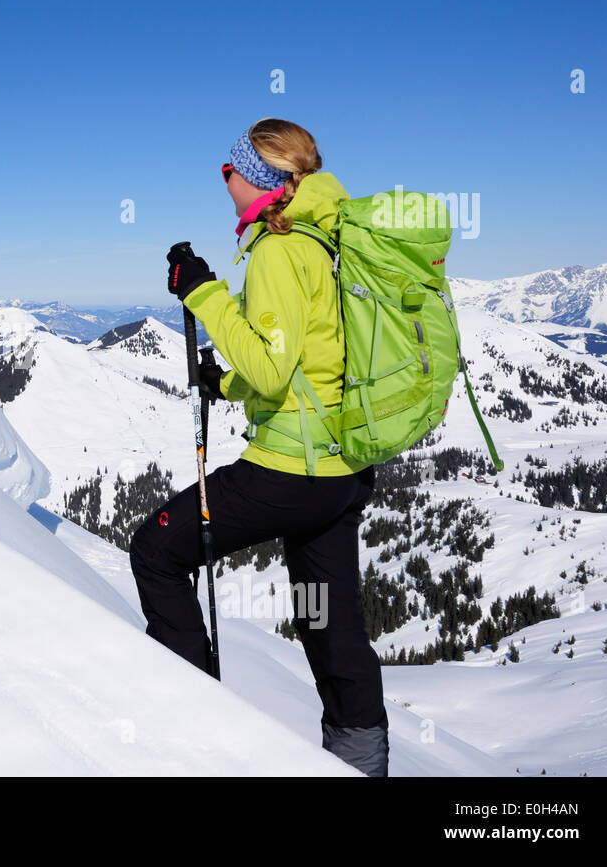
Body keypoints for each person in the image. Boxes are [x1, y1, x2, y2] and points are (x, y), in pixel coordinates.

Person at [129, 118, 389, 776]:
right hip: (340, 468)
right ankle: (360, 762)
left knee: (156, 549)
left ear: (264, 179)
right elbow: (300, 356)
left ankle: (193, 729)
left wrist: (203, 293)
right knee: (329, 623)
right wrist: (227, 378)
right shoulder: (321, 240)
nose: (224, 179)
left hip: (288, 470)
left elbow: (273, 370)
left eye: (230, 169)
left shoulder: (277, 249)